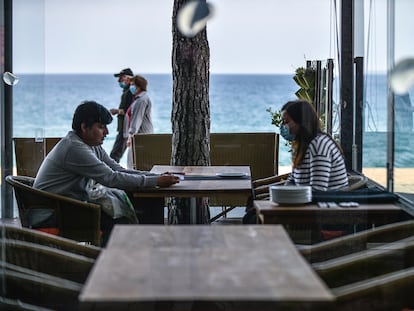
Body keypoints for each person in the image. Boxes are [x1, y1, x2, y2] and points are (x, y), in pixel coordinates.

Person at [34, 100, 179, 244]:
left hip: (68, 206)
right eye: (101, 127)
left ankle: (144, 250)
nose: (107, 132)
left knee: (146, 202)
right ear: (84, 127)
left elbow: (118, 170)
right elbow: (111, 178)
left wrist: (156, 177)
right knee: (118, 218)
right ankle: (108, 261)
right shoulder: (74, 148)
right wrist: (154, 181)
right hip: (51, 214)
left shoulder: (91, 145)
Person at [243, 99, 348, 223]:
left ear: (301, 122)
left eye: (286, 121)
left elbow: (317, 191)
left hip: (321, 211)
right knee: (252, 210)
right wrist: (277, 198)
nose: (283, 126)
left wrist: (282, 203)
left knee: (252, 219)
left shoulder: (319, 145)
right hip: (303, 204)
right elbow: (293, 179)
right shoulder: (304, 145)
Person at [125, 75, 154, 169]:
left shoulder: (141, 100)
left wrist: (131, 135)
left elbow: (137, 119)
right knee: (136, 162)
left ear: (139, 86)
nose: (131, 87)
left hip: (140, 135)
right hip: (140, 135)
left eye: (133, 85)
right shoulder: (139, 99)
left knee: (132, 161)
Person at [109, 68, 134, 163]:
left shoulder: (130, 92)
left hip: (125, 128)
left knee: (115, 155)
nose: (119, 81)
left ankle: (111, 175)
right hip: (124, 127)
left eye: (121, 78)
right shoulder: (127, 91)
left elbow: (130, 110)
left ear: (128, 78)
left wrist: (118, 111)